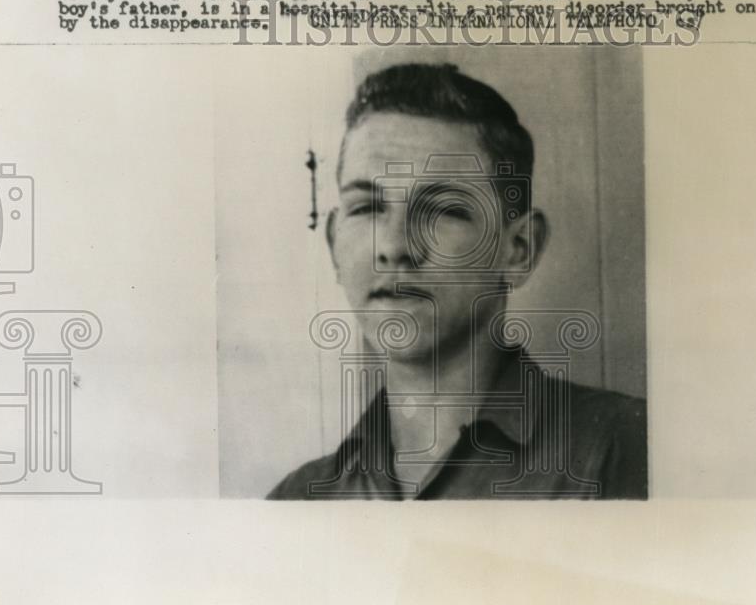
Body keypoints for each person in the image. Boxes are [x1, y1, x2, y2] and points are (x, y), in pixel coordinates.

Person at [268, 62, 646, 499]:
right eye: (366, 208)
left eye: (444, 210)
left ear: (518, 249)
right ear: (334, 243)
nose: (393, 246)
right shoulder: (298, 499)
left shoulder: (624, 451)